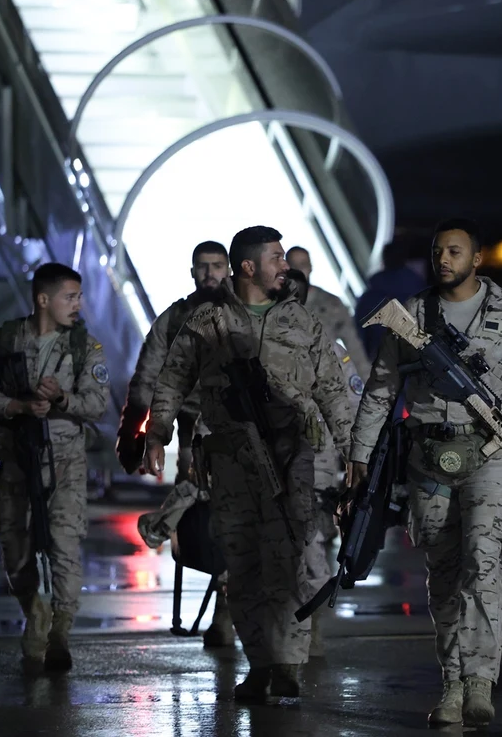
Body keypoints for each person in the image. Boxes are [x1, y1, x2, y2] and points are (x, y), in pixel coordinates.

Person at [349, 217, 502, 727]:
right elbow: (381, 389)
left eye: (455, 252)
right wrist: (360, 454)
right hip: (428, 459)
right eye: (438, 252)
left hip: (491, 455)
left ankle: (480, 683)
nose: (444, 260)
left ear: (477, 259)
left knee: (484, 564)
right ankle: (451, 683)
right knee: (444, 575)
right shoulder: (410, 315)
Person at [141, 225, 354, 703]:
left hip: (291, 456)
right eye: (277, 258)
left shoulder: (302, 322)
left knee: (292, 562)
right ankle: (259, 663)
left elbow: (334, 392)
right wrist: (157, 434)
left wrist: (354, 452)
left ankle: (290, 664)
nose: (286, 266)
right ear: (249, 268)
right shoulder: (209, 321)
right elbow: (172, 379)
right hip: (232, 463)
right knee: (241, 564)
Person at [0, 263, 110, 671]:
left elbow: (98, 404)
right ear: (43, 299)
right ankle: (35, 612)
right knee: (15, 546)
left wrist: (63, 399)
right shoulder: (5, 340)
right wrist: (17, 406)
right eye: (70, 296)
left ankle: (61, 631)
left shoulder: (85, 348)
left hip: (65, 461)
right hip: (14, 458)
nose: (78, 304)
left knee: (65, 543)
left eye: (79, 296)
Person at [121, 240, 234, 648]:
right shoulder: (174, 320)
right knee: (208, 519)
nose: (210, 274)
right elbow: (148, 375)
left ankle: (224, 614)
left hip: (239, 428)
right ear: (191, 272)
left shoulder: (242, 313)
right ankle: (222, 610)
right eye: (202, 267)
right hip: (191, 429)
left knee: (230, 517)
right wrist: (135, 434)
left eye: (217, 266)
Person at [286, 268, 365, 660]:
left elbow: (351, 408)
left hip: (316, 463)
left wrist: (356, 461)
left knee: (312, 547)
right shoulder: (250, 344)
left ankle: (308, 634)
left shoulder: (330, 351)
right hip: (261, 461)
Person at [285, 245, 372, 377]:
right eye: (294, 265)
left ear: (310, 266)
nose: (300, 270)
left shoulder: (330, 302)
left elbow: (354, 347)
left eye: (303, 264)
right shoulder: (280, 307)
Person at [354, 233, 429, 362]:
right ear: (405, 260)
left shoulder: (370, 297)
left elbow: (360, 336)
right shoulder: (420, 292)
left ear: (383, 261)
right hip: (417, 360)